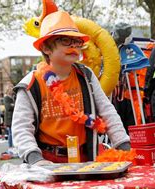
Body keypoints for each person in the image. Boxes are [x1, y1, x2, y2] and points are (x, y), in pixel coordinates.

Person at [12, 10, 130, 165]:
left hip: (85, 159)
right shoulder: (30, 84)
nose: (74, 46)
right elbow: (21, 128)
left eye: (77, 41)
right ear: (46, 48)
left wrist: (123, 144)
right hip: (47, 162)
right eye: (66, 41)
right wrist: (35, 159)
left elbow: (107, 111)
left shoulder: (85, 75)